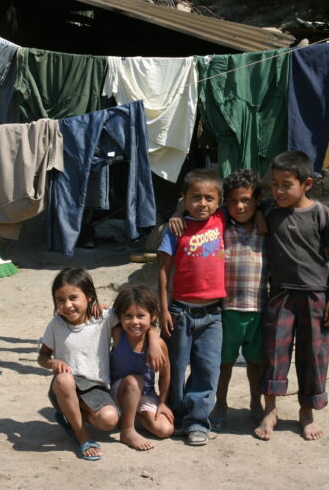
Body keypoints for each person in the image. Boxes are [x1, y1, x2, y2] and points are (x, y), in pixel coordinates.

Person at [256, 150, 329, 441]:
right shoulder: (269, 209)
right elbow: (245, 203)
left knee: (313, 356)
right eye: (274, 184)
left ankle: (306, 413)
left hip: (315, 297)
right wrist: (258, 212)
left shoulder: (320, 214)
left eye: (286, 184)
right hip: (280, 295)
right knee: (274, 354)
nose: (278, 190)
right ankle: (270, 410)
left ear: (307, 183)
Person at [38, 267, 162, 460]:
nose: (67, 305)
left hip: (96, 388)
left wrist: (153, 340)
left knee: (109, 421)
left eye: (73, 298)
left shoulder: (103, 318)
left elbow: (139, 319)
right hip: (65, 386)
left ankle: (69, 416)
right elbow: (42, 356)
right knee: (64, 379)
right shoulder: (56, 325)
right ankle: (81, 435)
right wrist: (53, 362)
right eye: (60, 300)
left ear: (89, 297)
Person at [157, 168, 227, 446]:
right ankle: (174, 415)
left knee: (207, 369)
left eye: (210, 198)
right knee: (174, 366)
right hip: (179, 312)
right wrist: (163, 310)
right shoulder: (176, 229)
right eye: (195, 197)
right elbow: (162, 271)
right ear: (184, 198)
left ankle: (197, 421)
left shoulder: (222, 220)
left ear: (219, 201)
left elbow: (250, 203)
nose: (203, 204)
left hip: (213, 314)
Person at [209, 169, 268, 431]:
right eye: (232, 201)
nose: (239, 206)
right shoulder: (221, 226)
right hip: (227, 309)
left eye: (246, 200)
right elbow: (187, 205)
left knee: (255, 363)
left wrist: (263, 213)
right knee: (224, 363)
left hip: (258, 308)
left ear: (257, 200)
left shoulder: (266, 228)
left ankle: (256, 403)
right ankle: (220, 403)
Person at [110, 285, 174, 450]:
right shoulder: (118, 334)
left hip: (146, 393)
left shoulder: (159, 344)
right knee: (133, 381)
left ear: (152, 316)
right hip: (120, 392)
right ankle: (127, 431)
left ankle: (133, 416)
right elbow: (103, 317)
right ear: (120, 317)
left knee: (165, 430)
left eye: (140, 316)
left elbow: (166, 375)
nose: (134, 322)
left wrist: (162, 402)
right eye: (128, 316)